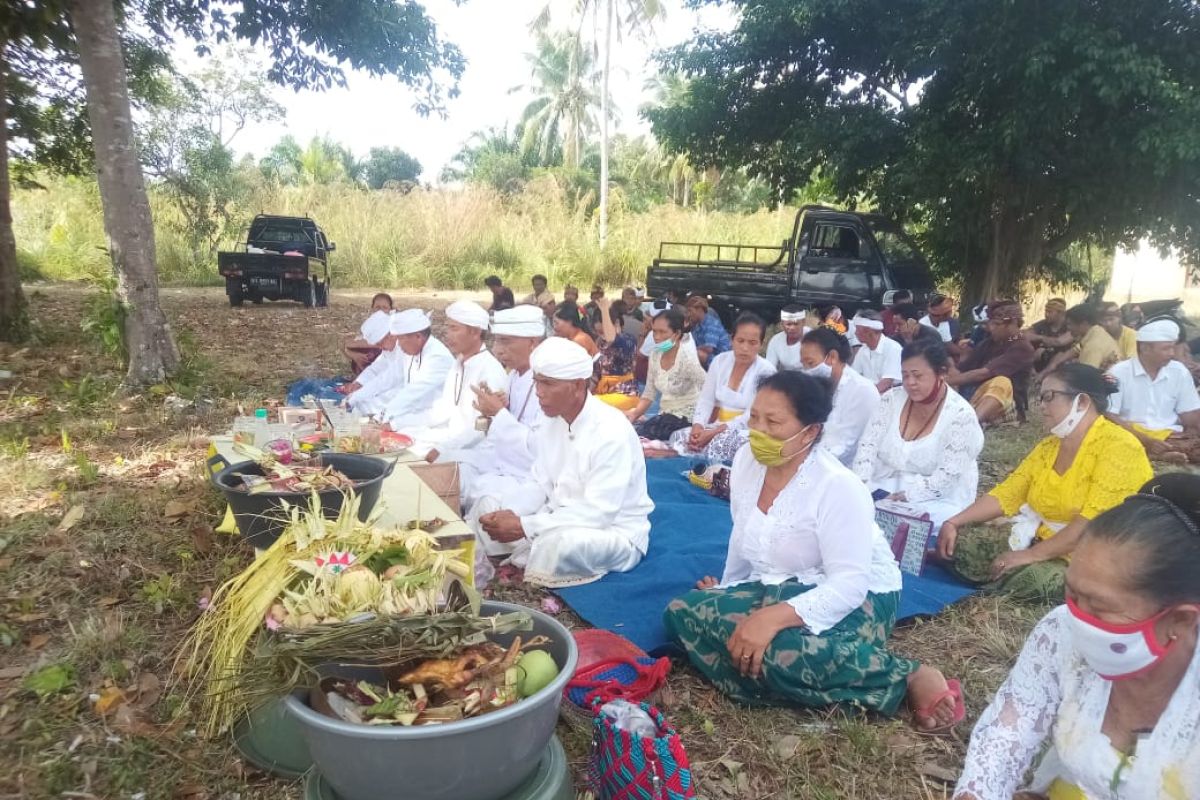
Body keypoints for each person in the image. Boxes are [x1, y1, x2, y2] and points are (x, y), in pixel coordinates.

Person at [663, 372, 964, 731]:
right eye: (754, 417)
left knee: (779, 650)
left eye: (773, 421)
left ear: (809, 432)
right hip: (778, 582)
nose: (757, 430)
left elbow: (849, 585)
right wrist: (729, 588)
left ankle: (906, 676)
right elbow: (742, 532)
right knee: (681, 613)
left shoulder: (838, 487)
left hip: (858, 590)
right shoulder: (746, 461)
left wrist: (769, 619)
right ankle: (796, 678)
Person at [953, 473, 1200, 800]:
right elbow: (1008, 733)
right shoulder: (1060, 632)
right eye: (1071, 594)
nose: (1079, 618)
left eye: (1098, 607)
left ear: (1180, 620)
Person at [937, 363, 1152, 603]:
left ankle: (1009, 581)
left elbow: (1093, 526)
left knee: (1034, 580)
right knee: (959, 542)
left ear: (1082, 402)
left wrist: (1031, 555)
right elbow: (1008, 493)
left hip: (1097, 555)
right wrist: (954, 522)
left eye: (1049, 397)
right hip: (1043, 539)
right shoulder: (1049, 447)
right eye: (1040, 398)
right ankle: (1003, 576)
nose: (1041, 406)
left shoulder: (1120, 448)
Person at [473, 337, 654, 587]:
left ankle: (530, 565)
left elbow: (598, 512)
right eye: (537, 382)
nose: (538, 391)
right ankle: (523, 552)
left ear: (578, 386)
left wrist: (525, 525)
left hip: (610, 531)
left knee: (558, 545)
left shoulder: (611, 431)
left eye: (547, 383)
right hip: (555, 517)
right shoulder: (551, 420)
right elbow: (539, 480)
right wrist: (512, 514)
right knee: (487, 505)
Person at [852, 337, 985, 528]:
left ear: (941, 373)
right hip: (885, 483)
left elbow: (946, 478)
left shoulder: (960, 416)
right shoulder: (891, 399)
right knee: (848, 501)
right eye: (905, 375)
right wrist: (862, 487)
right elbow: (867, 447)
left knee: (910, 520)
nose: (910, 383)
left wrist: (904, 497)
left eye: (917, 375)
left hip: (935, 498)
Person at [458, 305, 548, 515]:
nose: (497, 350)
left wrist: (499, 414)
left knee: (486, 500)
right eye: (497, 341)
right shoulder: (514, 376)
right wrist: (492, 413)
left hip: (531, 477)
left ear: (532, 342)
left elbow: (539, 450)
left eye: (505, 341)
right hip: (505, 465)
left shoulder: (548, 383)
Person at [668, 313, 776, 462]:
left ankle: (702, 450)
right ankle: (701, 447)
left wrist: (714, 433)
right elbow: (706, 399)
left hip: (746, 430)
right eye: (740, 341)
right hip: (716, 426)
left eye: (752, 343)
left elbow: (751, 415)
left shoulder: (767, 371)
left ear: (761, 344)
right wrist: (698, 426)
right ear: (732, 339)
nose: (745, 348)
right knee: (679, 437)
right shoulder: (720, 361)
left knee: (726, 444)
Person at [413, 301, 508, 462]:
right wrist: (409, 425)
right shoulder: (458, 363)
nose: (447, 334)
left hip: (477, 449)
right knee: (405, 440)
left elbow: (481, 429)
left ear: (476, 332)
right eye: (447, 327)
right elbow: (445, 409)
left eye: (454, 328)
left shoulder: (490, 371)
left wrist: (442, 449)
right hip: (451, 437)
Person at [1106, 318, 1200, 463]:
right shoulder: (1119, 372)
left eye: (1173, 348)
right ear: (1145, 348)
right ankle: (1153, 454)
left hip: (1169, 436)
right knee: (1112, 442)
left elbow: (1190, 414)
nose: (1172, 353)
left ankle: (1159, 454)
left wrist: (1194, 431)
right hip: (1131, 434)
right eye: (1166, 348)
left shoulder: (1179, 371)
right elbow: (1109, 415)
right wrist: (1146, 440)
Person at [346, 308, 455, 427]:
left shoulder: (437, 357)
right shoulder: (411, 351)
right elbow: (387, 377)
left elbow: (412, 393)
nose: (399, 345)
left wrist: (382, 417)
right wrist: (354, 398)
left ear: (418, 337)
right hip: (413, 412)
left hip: (434, 421)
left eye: (401, 339)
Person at [947, 300, 1036, 425]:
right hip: (976, 395)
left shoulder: (1023, 348)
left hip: (1007, 403)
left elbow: (983, 374)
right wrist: (947, 374)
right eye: (990, 324)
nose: (990, 328)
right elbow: (962, 369)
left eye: (996, 324)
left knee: (1002, 381)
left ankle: (971, 424)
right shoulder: (989, 343)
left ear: (1013, 323)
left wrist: (945, 381)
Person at [800, 327, 880, 466]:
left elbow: (843, 447)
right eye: (804, 365)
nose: (807, 371)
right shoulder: (816, 387)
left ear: (832, 357)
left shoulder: (862, 390)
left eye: (811, 363)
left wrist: (800, 462)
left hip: (846, 469)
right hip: (812, 460)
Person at [626, 307, 707, 440]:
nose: (657, 337)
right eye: (654, 332)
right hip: (665, 416)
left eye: (662, 332)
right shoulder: (655, 354)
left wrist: (702, 425)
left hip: (686, 420)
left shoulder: (686, 359)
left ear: (676, 333)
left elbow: (709, 390)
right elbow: (649, 393)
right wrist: (634, 415)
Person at [1042, 303, 1119, 374]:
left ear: (1083, 324)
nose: (1068, 328)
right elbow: (1076, 350)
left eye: (1070, 324)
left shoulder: (1092, 346)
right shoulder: (1095, 331)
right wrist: (1054, 364)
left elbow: (1086, 377)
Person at [592, 297, 640, 410]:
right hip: (603, 393)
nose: (602, 335)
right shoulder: (601, 344)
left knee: (592, 405)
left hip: (625, 393)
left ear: (617, 324)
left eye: (604, 331)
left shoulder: (627, 340)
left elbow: (611, 338)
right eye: (599, 332)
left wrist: (605, 310)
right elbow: (595, 375)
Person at [851, 310, 903, 393]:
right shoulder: (863, 350)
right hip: (870, 395)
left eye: (857, 329)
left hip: (890, 398)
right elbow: (853, 376)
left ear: (868, 331)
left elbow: (886, 383)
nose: (855, 333)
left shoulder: (893, 348)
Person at [343, 294, 394, 375]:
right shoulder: (369, 325)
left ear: (390, 310)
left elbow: (383, 344)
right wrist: (354, 355)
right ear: (372, 309)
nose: (380, 311)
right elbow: (347, 344)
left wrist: (359, 344)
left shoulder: (394, 325)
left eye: (385, 308)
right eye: (377, 307)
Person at [1024, 298, 1073, 372]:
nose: (1046, 314)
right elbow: (1025, 335)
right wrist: (1041, 339)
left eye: (1050, 312)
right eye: (1046, 311)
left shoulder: (1070, 326)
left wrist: (1041, 340)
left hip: (1061, 364)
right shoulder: (1043, 324)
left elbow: (1059, 342)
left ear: (1060, 313)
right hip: (1039, 363)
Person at [684, 296, 732, 368]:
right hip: (712, 357)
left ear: (699, 309)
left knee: (698, 354)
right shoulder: (697, 325)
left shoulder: (711, 324)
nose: (689, 314)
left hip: (721, 360)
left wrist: (689, 350)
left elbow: (708, 348)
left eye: (690, 310)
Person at [765, 305, 809, 371]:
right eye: (788, 324)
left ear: (803, 322)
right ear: (782, 324)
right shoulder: (776, 341)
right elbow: (769, 369)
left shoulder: (814, 337)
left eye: (796, 324)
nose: (792, 328)